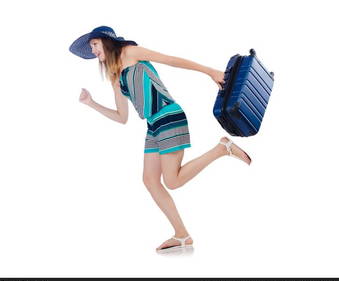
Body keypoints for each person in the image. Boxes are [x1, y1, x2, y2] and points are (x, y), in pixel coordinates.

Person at [69, 26, 252, 253]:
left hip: (168, 115)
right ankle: (182, 235)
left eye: (94, 45)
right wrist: (91, 103)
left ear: (106, 42)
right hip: (153, 124)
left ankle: (222, 149)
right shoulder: (115, 77)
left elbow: (171, 60)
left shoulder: (130, 52)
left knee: (172, 181)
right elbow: (122, 117)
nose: (93, 51)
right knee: (150, 180)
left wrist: (210, 72)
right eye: (91, 48)